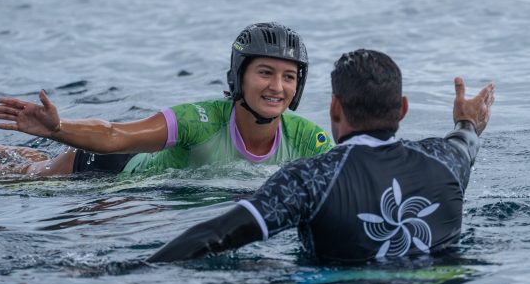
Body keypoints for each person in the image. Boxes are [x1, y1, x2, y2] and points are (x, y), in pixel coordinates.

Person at [147, 49, 495, 263]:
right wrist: (466, 118)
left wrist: (129, 271)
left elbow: (216, 235)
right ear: (403, 109)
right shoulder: (446, 161)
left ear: (334, 107)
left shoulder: (308, 179)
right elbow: (466, 137)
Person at [0, 22, 332, 176]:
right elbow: (113, 134)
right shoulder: (201, 118)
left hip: (132, 175)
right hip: (107, 167)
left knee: (22, 160)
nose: (277, 87)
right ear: (239, 77)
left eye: (289, 76)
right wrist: (58, 129)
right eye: (265, 72)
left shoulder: (310, 142)